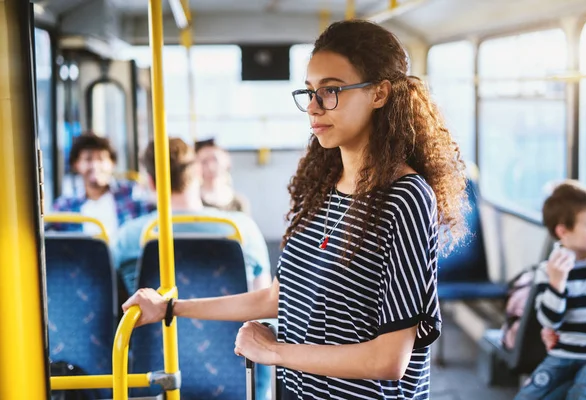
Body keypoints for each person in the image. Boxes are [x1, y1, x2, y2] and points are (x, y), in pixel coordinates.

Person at [123, 20, 467, 400]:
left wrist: (273, 352)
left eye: (331, 91)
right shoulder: (323, 188)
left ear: (380, 94)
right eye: (309, 92)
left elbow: (390, 358)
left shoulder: (404, 198)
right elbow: (281, 295)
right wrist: (171, 308)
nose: (313, 107)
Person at [112, 138, 271, 296]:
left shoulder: (128, 236)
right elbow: (264, 301)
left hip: (156, 321)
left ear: (151, 182)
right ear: (198, 173)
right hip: (234, 321)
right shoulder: (241, 228)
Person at [514, 180, 586, 400]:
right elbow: (550, 321)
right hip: (563, 353)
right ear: (564, 231)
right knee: (528, 395)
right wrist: (557, 283)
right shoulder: (549, 269)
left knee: (582, 393)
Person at [48, 133, 153, 239]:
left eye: (101, 159)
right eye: (88, 159)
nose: (95, 166)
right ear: (76, 164)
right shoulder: (65, 207)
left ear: (112, 163)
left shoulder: (132, 195)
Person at [195, 139, 250, 213]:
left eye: (215, 159)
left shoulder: (238, 203)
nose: (210, 167)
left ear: (227, 161)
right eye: (204, 161)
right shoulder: (192, 201)